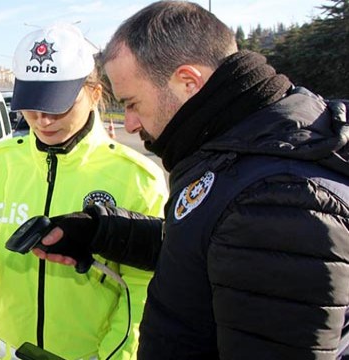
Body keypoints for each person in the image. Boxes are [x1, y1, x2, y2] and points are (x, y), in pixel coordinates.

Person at [32, 2, 349, 359]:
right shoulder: (243, 148)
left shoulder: (278, 196)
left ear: (188, 82)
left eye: (132, 103)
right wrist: (100, 232)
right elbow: (207, 250)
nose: (131, 124)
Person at [0, 23, 168, 360]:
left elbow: (143, 288)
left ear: (95, 94)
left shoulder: (137, 179)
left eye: (57, 106)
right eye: (32, 105)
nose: (42, 120)